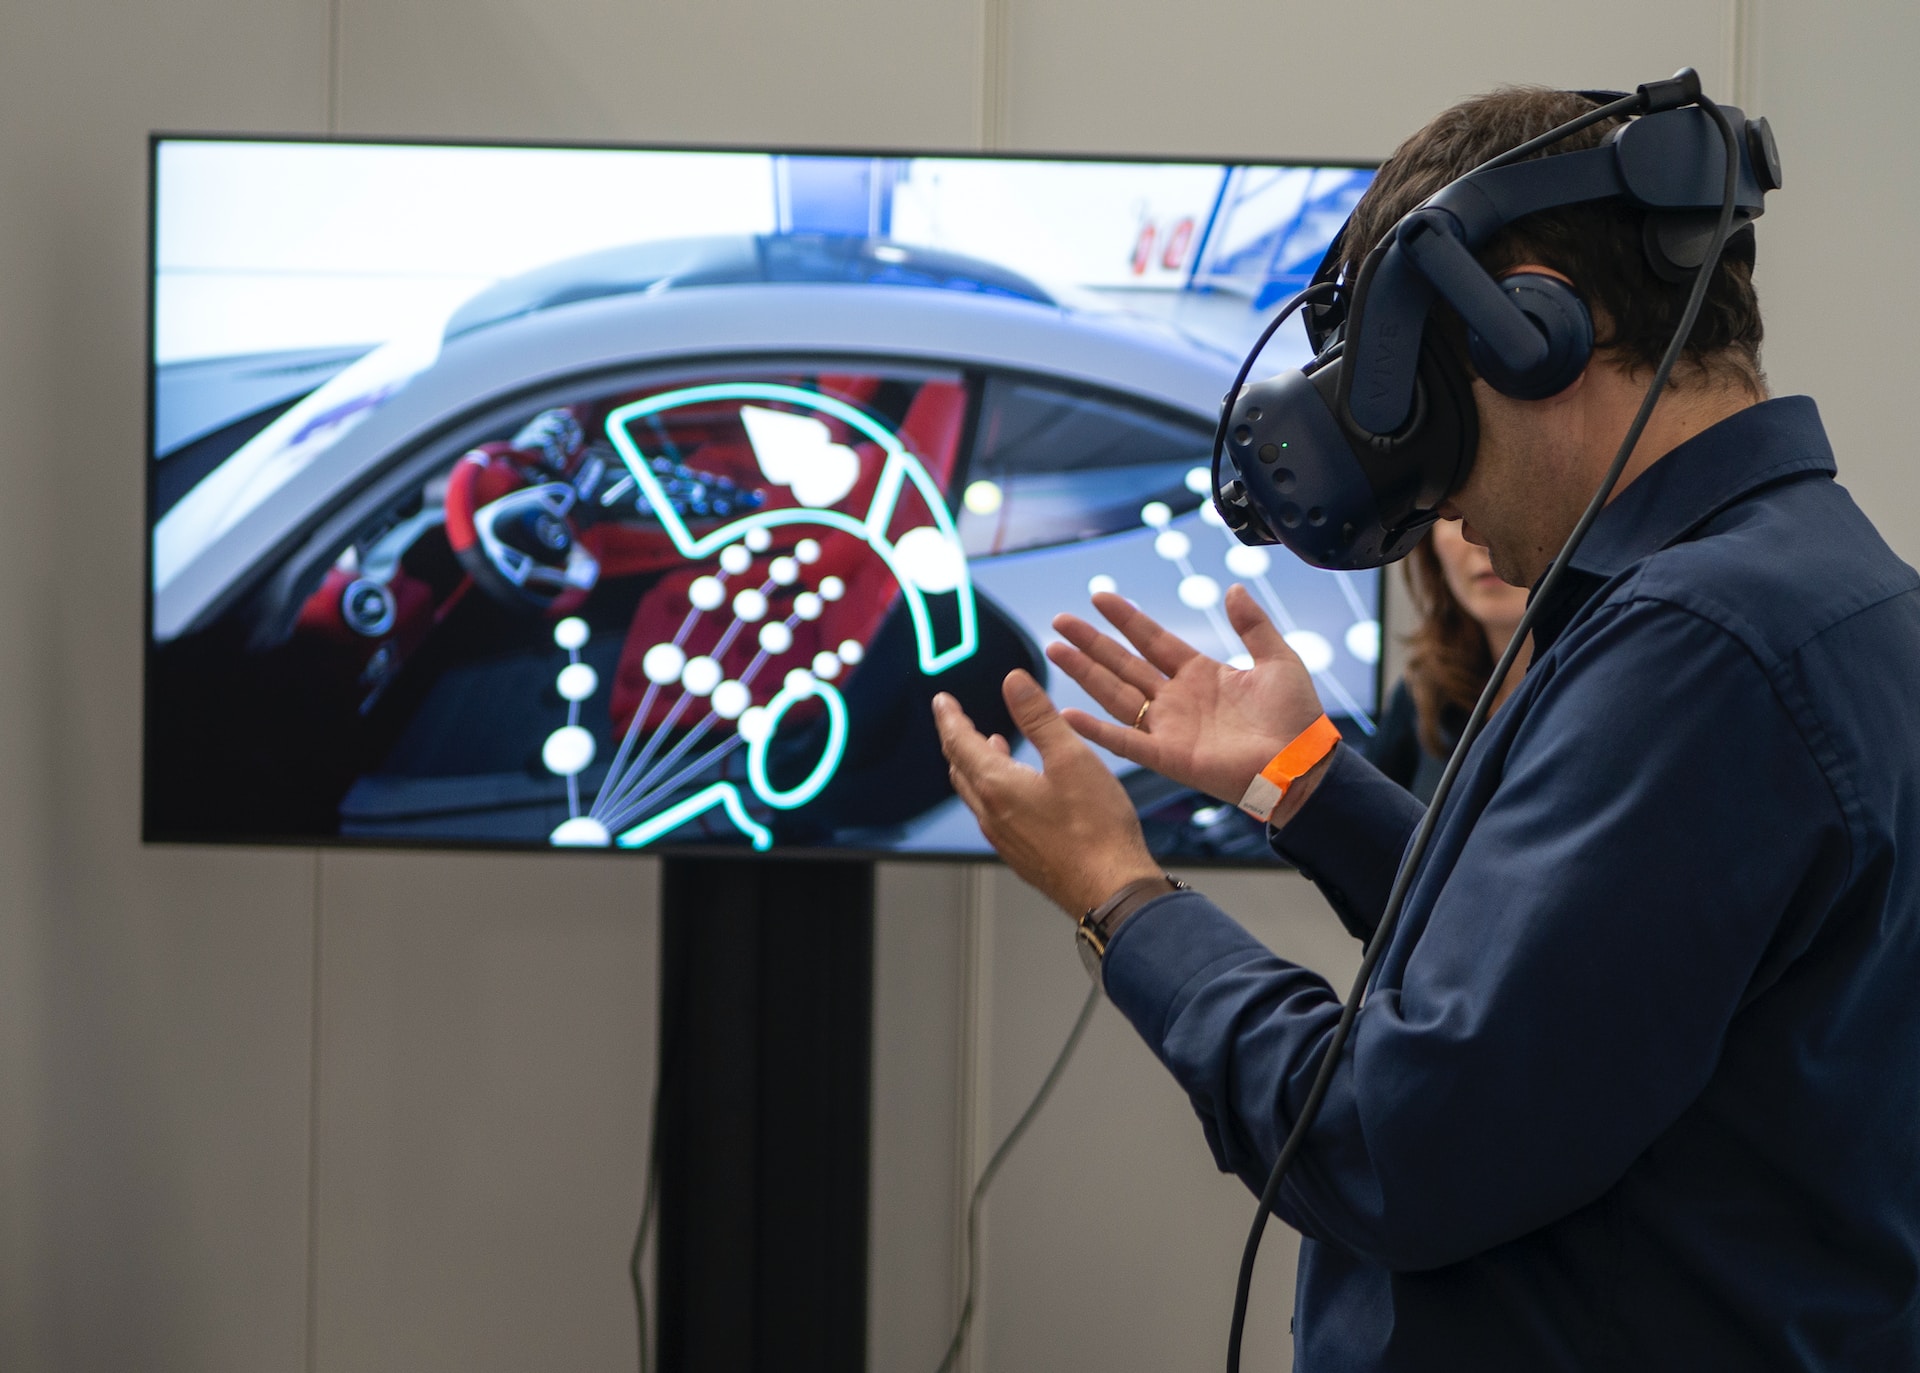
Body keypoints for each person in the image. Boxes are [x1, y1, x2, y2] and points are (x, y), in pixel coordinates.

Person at [933, 84, 1920, 1371]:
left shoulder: (1702, 647)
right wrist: (1308, 782)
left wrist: (1120, 896)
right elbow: (1573, 993)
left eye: (1423, 411)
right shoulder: (1804, 590)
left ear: (1525, 323)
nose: (1439, 503)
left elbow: (1386, 1143)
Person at [1367, 520, 1529, 801]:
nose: (1483, 542)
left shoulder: (1607, 688)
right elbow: (1361, 830)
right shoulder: (1424, 691)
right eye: (1458, 517)